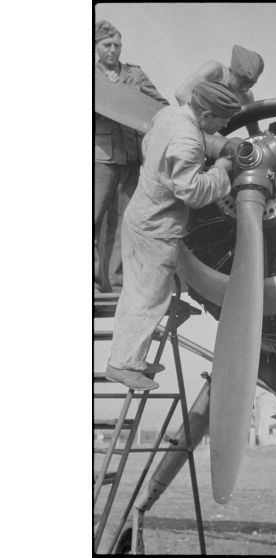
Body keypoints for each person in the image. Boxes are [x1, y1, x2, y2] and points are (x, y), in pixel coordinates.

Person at [106, 81, 241, 391]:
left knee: (141, 295)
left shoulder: (168, 116)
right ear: (206, 114)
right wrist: (221, 168)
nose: (224, 126)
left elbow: (150, 148)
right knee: (147, 298)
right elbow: (193, 192)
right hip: (157, 228)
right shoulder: (188, 139)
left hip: (141, 215)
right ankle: (122, 365)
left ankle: (132, 359)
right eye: (222, 120)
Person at [95, 20, 169, 294]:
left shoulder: (135, 75)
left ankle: (115, 281)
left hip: (130, 156)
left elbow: (160, 106)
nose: (113, 50)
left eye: (117, 45)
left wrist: (128, 98)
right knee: (93, 217)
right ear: (95, 47)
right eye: (107, 45)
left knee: (124, 221)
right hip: (99, 156)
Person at [175, 45, 263, 136]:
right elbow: (181, 94)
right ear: (230, 71)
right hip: (187, 124)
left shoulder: (246, 97)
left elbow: (254, 133)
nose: (245, 89)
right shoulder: (215, 70)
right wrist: (215, 137)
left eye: (250, 86)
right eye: (241, 84)